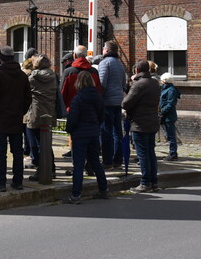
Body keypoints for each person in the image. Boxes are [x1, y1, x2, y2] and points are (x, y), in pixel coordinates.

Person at [0, 46, 31, 191]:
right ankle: (18, 181)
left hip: (0, 120)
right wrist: (20, 111)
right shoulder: (22, 76)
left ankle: (0, 182)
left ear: (1, 57)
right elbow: (28, 98)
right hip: (16, 119)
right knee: (17, 152)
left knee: (1, 152)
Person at [64, 71, 110, 204]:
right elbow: (102, 115)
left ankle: (76, 194)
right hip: (94, 133)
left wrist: (69, 129)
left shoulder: (77, 99)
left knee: (78, 164)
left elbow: (73, 118)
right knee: (95, 162)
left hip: (80, 134)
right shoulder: (98, 97)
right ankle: (103, 189)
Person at [123, 59, 162, 192]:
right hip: (152, 122)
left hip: (139, 124)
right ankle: (154, 182)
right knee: (151, 152)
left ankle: (145, 183)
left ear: (137, 70)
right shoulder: (155, 83)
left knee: (143, 154)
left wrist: (132, 84)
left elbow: (126, 103)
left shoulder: (139, 84)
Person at [25, 54, 58, 181]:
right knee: (46, 143)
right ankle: (51, 169)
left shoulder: (33, 77)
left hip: (35, 112)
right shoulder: (52, 75)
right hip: (49, 112)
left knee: (35, 144)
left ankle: (41, 170)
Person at [97, 40, 126, 169]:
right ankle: (118, 160)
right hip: (118, 101)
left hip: (107, 102)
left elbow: (102, 83)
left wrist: (98, 99)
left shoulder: (105, 63)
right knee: (117, 132)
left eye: (103, 48)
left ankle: (107, 161)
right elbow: (124, 85)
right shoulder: (120, 65)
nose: (102, 50)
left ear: (107, 51)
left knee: (106, 132)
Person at [159, 72, 181, 161]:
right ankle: (172, 153)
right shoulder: (166, 89)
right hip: (166, 116)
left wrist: (162, 111)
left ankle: (173, 154)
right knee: (169, 135)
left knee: (171, 135)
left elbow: (170, 104)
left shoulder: (170, 90)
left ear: (164, 81)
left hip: (168, 116)